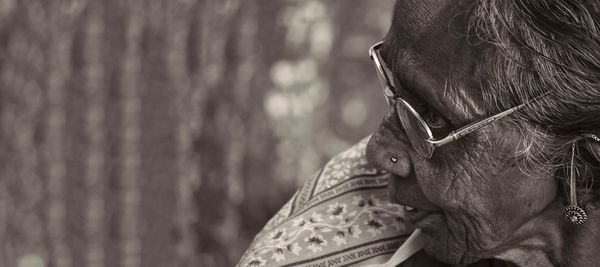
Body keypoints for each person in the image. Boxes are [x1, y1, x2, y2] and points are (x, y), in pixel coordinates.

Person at [239, 1, 600, 266]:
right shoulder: (315, 248)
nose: (377, 153)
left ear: (582, 166)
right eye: (390, 79)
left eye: (434, 118)